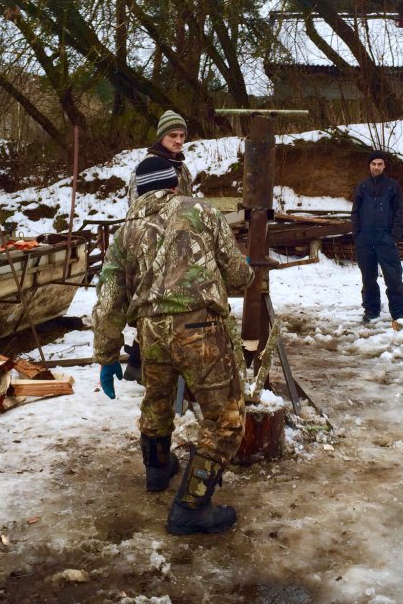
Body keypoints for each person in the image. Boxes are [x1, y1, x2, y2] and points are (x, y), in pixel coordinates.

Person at [92, 155, 254, 535]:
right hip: (198, 327)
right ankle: (191, 507)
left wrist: (106, 353)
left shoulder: (125, 231)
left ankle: (157, 470)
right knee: (226, 419)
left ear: (138, 192)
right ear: (174, 185)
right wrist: (244, 271)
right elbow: (237, 274)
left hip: (149, 330)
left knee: (157, 400)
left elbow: (110, 299)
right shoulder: (201, 211)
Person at [123, 110, 194, 383]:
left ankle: (141, 364)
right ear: (161, 136)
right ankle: (144, 367)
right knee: (152, 305)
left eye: (182, 136)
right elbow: (137, 208)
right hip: (153, 243)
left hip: (180, 242)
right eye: (172, 135)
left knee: (169, 308)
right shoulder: (147, 167)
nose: (178, 140)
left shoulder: (182, 168)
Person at [351, 150, 403, 324]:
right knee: (368, 278)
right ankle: (371, 310)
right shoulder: (362, 187)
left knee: (393, 277)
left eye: (380, 164)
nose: (376, 167)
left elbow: (399, 212)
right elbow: (355, 213)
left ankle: (399, 312)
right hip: (365, 240)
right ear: (369, 166)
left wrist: (393, 236)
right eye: (373, 164)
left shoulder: (392, 186)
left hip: (385, 239)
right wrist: (358, 235)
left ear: (384, 166)